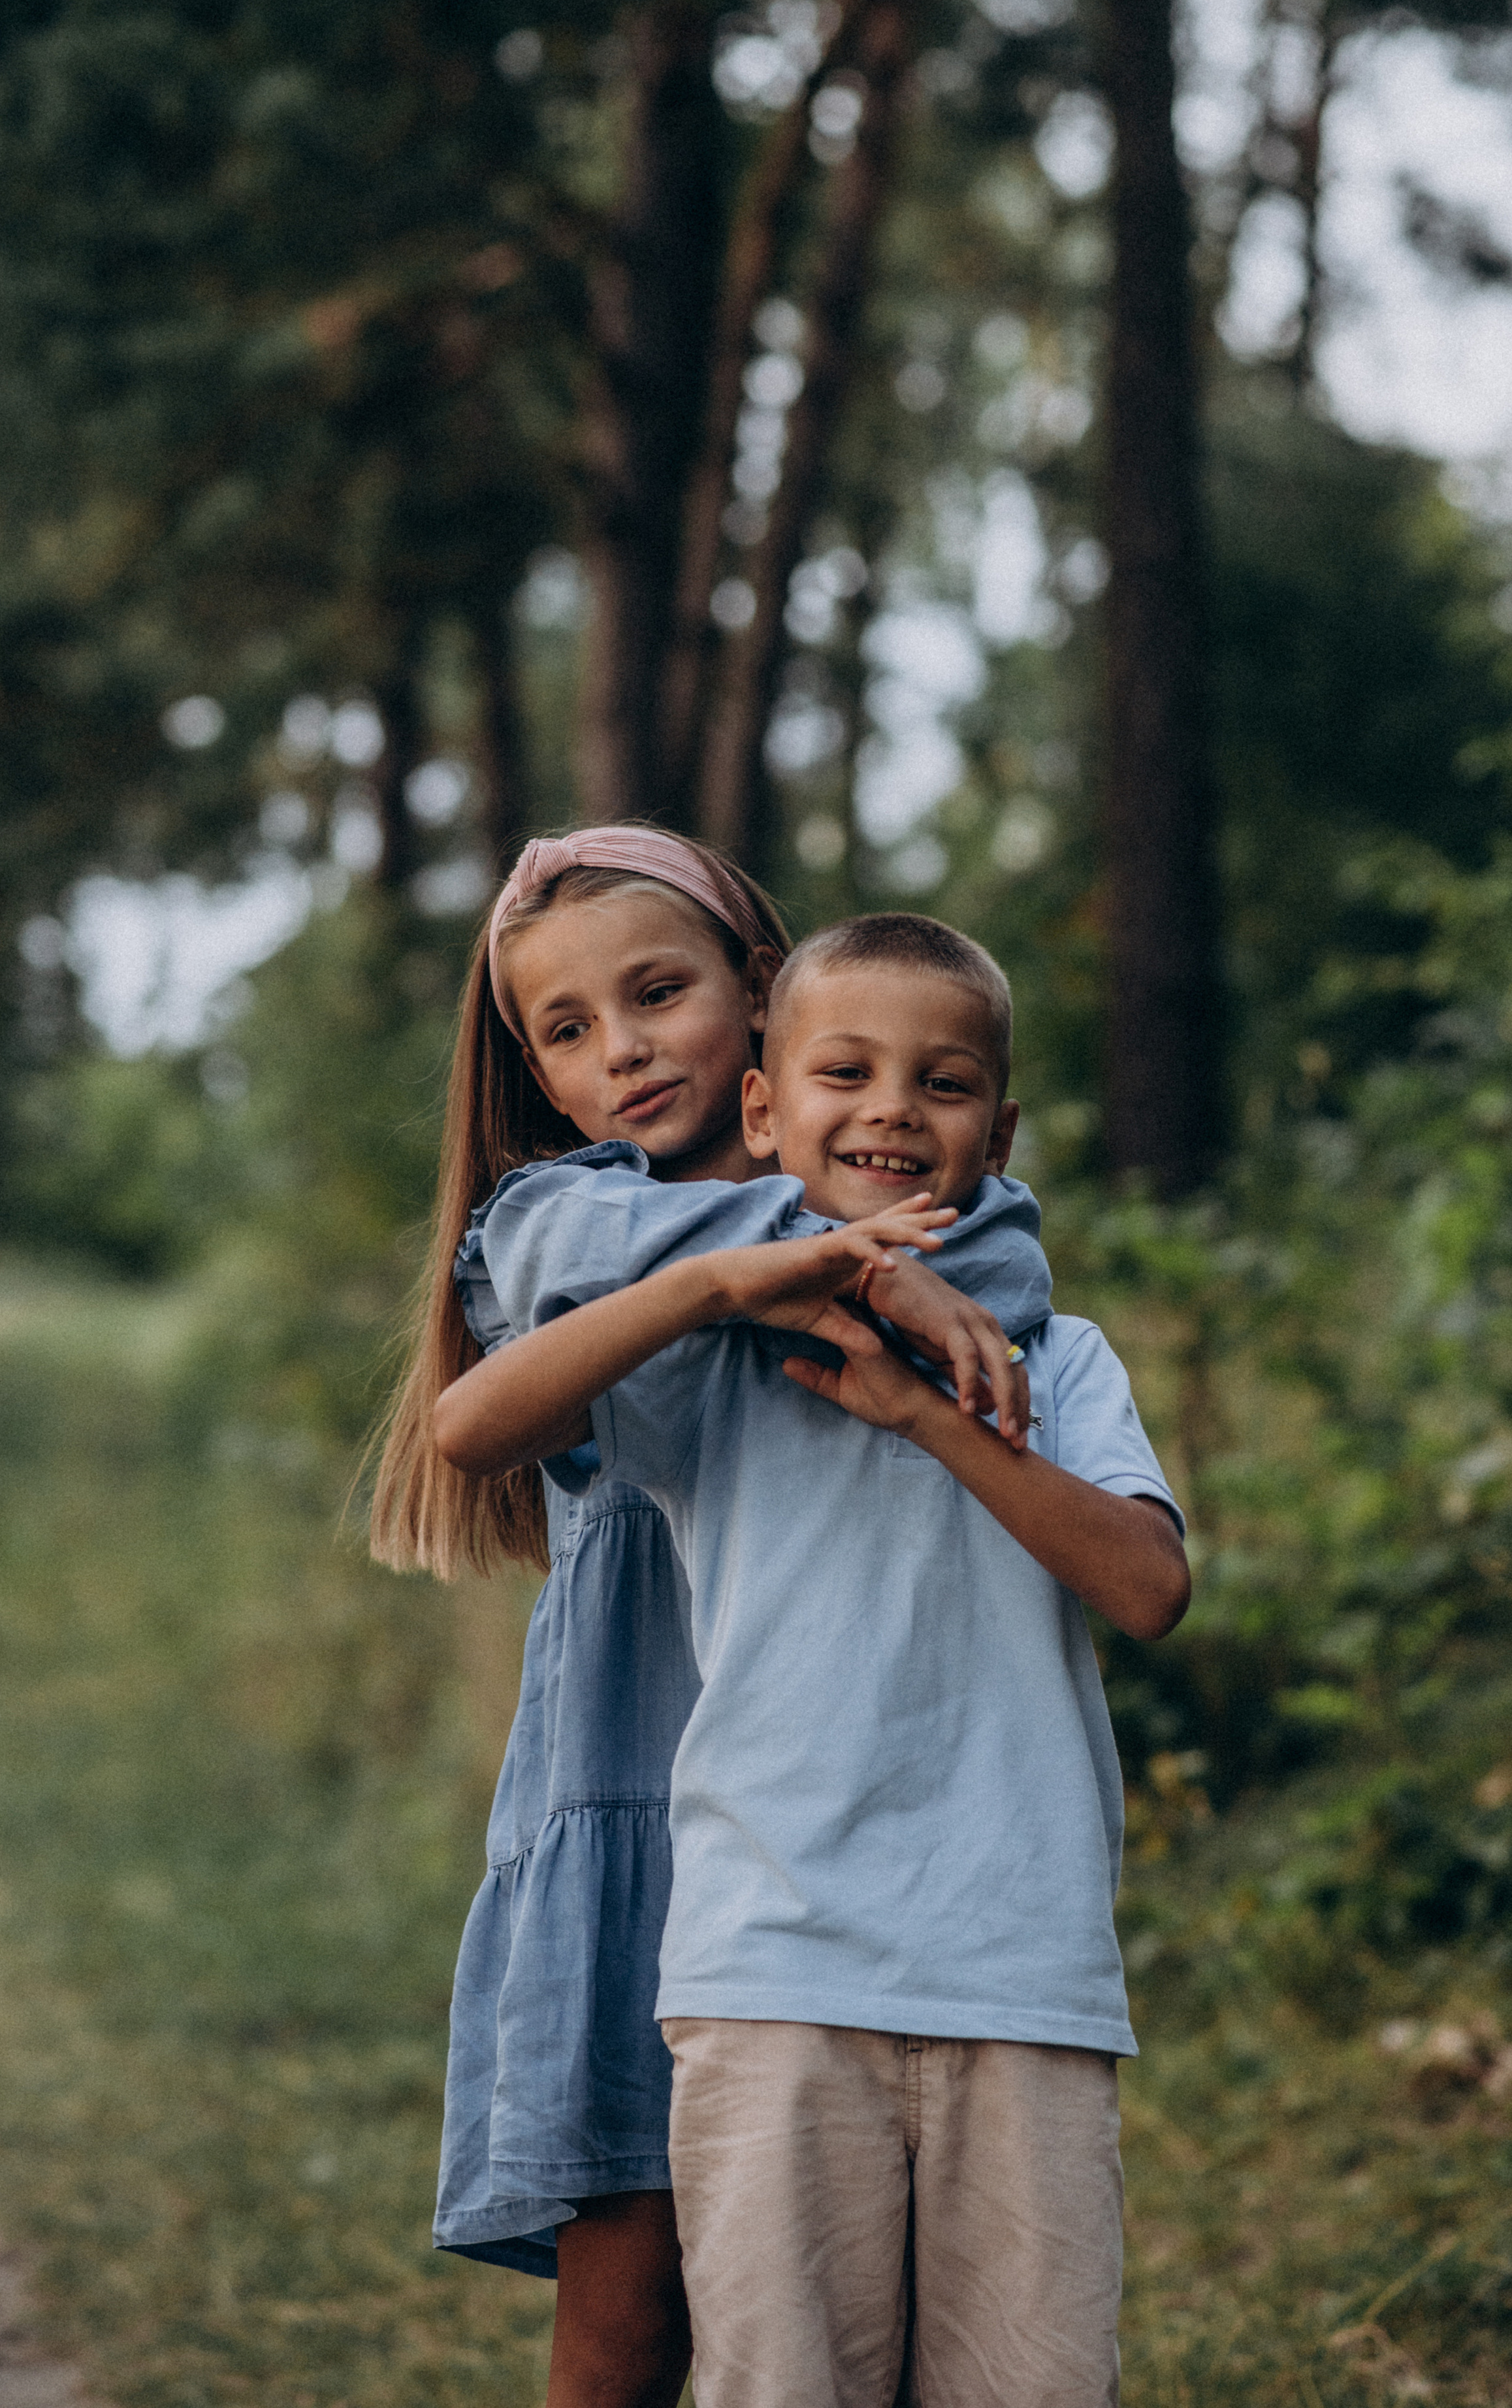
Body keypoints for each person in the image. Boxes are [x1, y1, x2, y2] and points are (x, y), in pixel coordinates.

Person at [436, 911, 1191, 2408]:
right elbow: (471, 1426)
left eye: (941, 1083)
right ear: (765, 1112)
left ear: (998, 1130)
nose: (891, 1110)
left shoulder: (1060, 1358)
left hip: (1020, 1973)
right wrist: (719, 1282)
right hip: (767, 1966)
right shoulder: (712, 1367)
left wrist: (923, 1414)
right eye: (844, 1073)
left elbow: (1147, 1586)